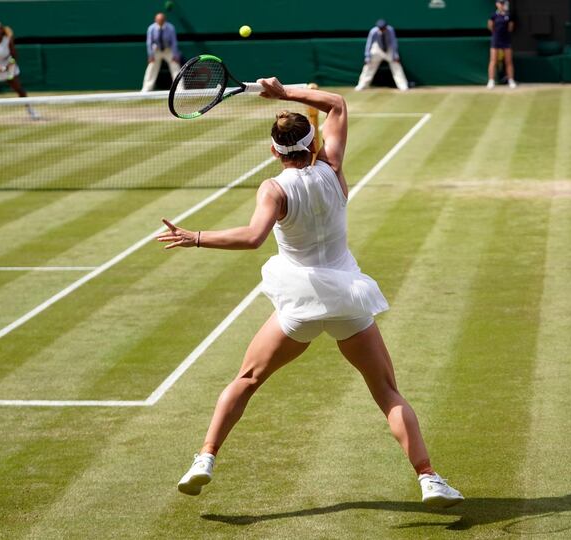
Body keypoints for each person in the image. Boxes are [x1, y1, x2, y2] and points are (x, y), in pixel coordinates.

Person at [157, 78, 463, 508]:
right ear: (313, 144)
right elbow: (337, 103)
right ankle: (429, 478)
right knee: (386, 391)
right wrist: (284, 93)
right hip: (346, 299)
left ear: (273, 151)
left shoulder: (274, 189)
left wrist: (197, 237)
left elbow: (251, 238)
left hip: (299, 302)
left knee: (247, 380)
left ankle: (205, 458)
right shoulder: (334, 170)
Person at [354, 19, 409, 91]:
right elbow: (369, 43)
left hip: (389, 49)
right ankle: (361, 85)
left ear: (386, 27)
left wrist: (395, 55)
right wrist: (367, 56)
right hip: (377, 49)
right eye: (380, 28)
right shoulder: (373, 31)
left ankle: (403, 86)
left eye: (383, 28)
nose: (382, 30)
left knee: (396, 66)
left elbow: (393, 43)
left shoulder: (390, 30)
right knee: (369, 66)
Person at [141, 12, 182, 93]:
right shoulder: (151, 28)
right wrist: (151, 55)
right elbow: (149, 42)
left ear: (164, 20)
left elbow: (174, 42)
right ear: (155, 20)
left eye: (162, 20)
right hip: (156, 50)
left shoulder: (170, 28)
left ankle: (180, 88)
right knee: (151, 67)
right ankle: (146, 88)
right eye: (158, 20)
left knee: (175, 66)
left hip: (168, 50)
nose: (160, 21)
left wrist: (175, 55)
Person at [487, 0, 517, 89]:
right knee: (493, 61)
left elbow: (510, 28)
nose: (502, 5)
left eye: (503, 3)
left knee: (508, 61)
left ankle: (511, 80)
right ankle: (491, 81)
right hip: (496, 40)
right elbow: (490, 26)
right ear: (497, 4)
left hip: (506, 40)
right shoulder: (493, 15)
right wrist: (496, 35)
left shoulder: (509, 15)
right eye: (500, 3)